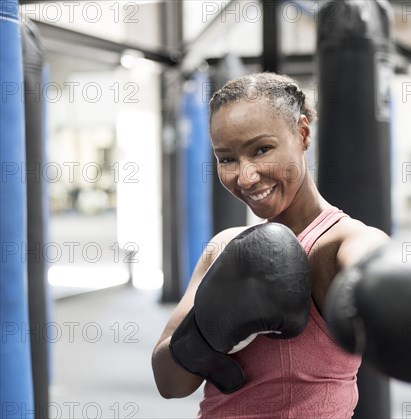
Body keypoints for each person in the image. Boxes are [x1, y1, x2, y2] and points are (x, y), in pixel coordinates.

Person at [151, 72, 389, 418]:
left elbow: (372, 262)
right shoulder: (224, 246)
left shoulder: (340, 242)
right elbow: (169, 383)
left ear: (302, 133)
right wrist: (204, 333)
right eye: (227, 158)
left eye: (261, 149)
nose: (245, 176)